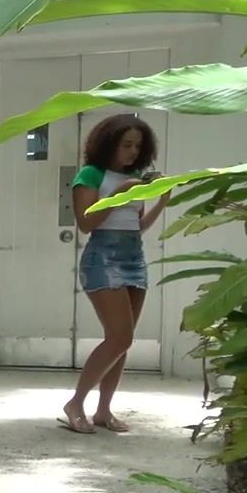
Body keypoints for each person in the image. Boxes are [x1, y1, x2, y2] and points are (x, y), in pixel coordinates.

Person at [61, 113, 167, 434]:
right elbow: (86, 223)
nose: (133, 152)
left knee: (122, 342)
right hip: (102, 258)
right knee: (120, 336)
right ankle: (75, 403)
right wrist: (121, 193)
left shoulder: (133, 177)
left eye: (138, 146)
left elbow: (137, 226)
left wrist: (162, 200)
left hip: (134, 257)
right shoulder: (90, 175)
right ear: (109, 144)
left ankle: (103, 410)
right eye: (126, 145)